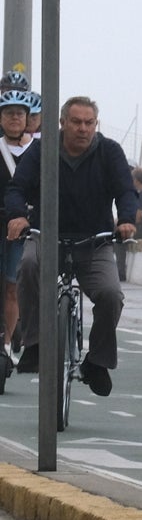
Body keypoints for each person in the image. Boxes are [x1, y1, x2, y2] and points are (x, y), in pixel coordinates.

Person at [4, 96, 138, 396]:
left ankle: (97, 361)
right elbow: (17, 188)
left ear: (96, 124)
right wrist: (16, 216)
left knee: (111, 294)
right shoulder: (42, 149)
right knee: (27, 266)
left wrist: (127, 219)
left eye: (89, 123)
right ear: (63, 123)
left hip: (95, 242)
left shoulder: (109, 151)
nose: (83, 128)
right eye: (76, 122)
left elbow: (126, 191)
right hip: (46, 236)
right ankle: (34, 343)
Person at [0, 90, 37, 358]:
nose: (15, 117)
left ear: (27, 119)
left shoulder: (36, 151)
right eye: (9, 113)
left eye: (20, 113)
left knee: (13, 285)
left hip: (23, 226)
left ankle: (8, 341)